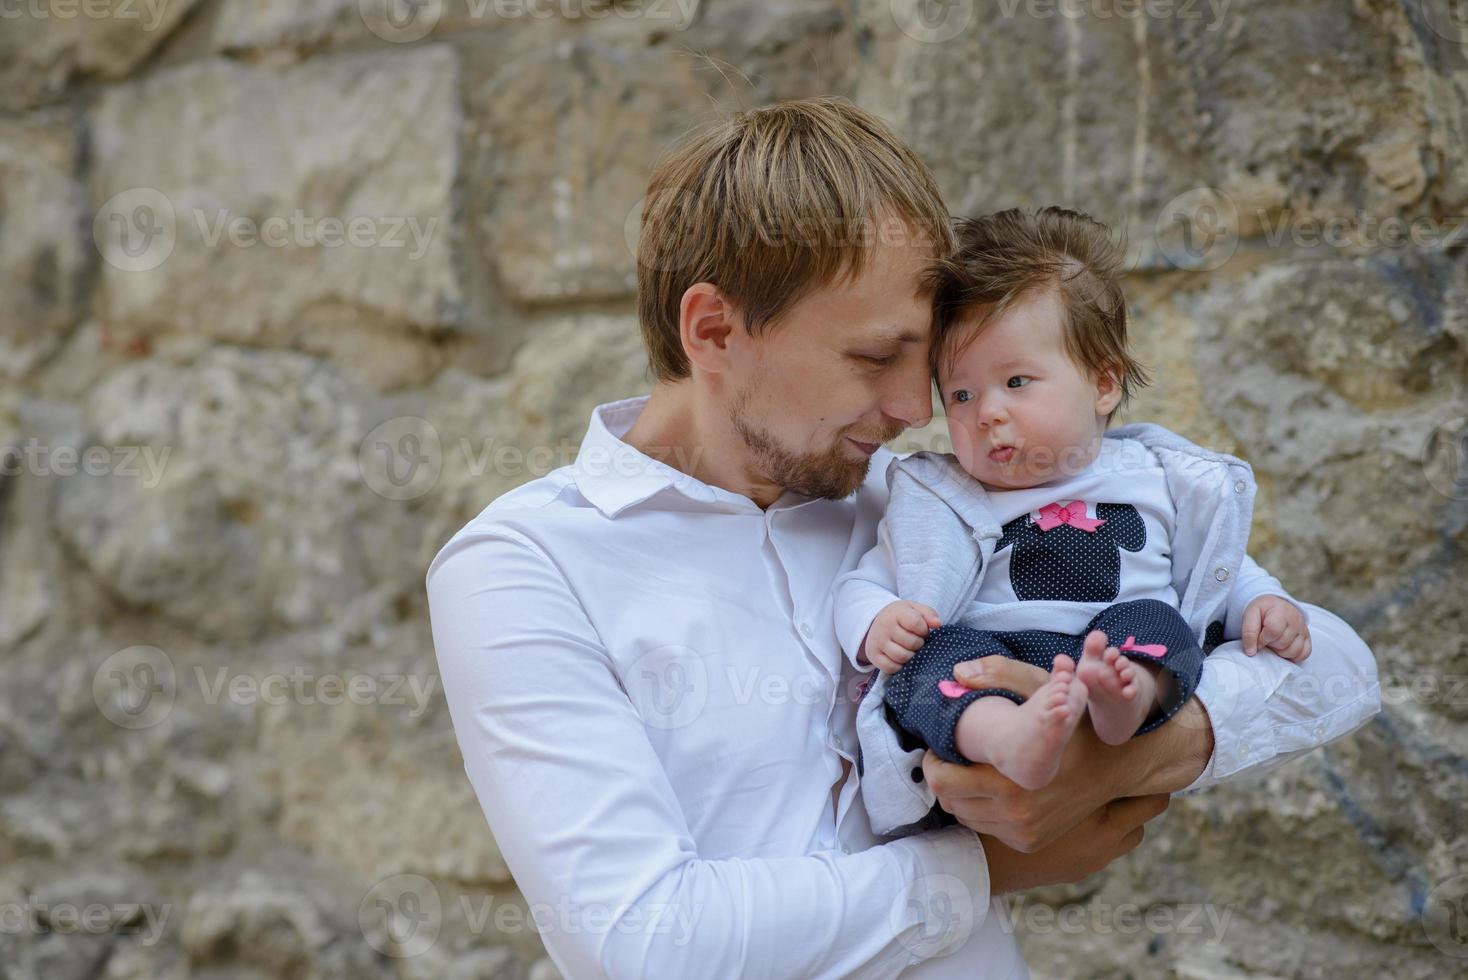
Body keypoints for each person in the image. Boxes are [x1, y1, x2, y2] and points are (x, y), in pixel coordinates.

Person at [426, 98, 1381, 979]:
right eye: (876, 357)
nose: (913, 407)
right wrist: (989, 867)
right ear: (714, 330)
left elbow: (1334, 664)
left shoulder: (924, 502)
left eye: (925, 364)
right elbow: (647, 941)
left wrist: (1126, 763)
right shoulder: (522, 568)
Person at [837, 207, 1318, 823]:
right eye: (960, 393)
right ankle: (1004, 737)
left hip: (1112, 645)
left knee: (1158, 624)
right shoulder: (940, 496)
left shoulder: (1157, 476)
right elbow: (867, 579)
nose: (986, 412)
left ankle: (1123, 702)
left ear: (1103, 384)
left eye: (1016, 380)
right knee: (928, 663)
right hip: (990, 656)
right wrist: (878, 618)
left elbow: (1220, 564)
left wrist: (1262, 601)